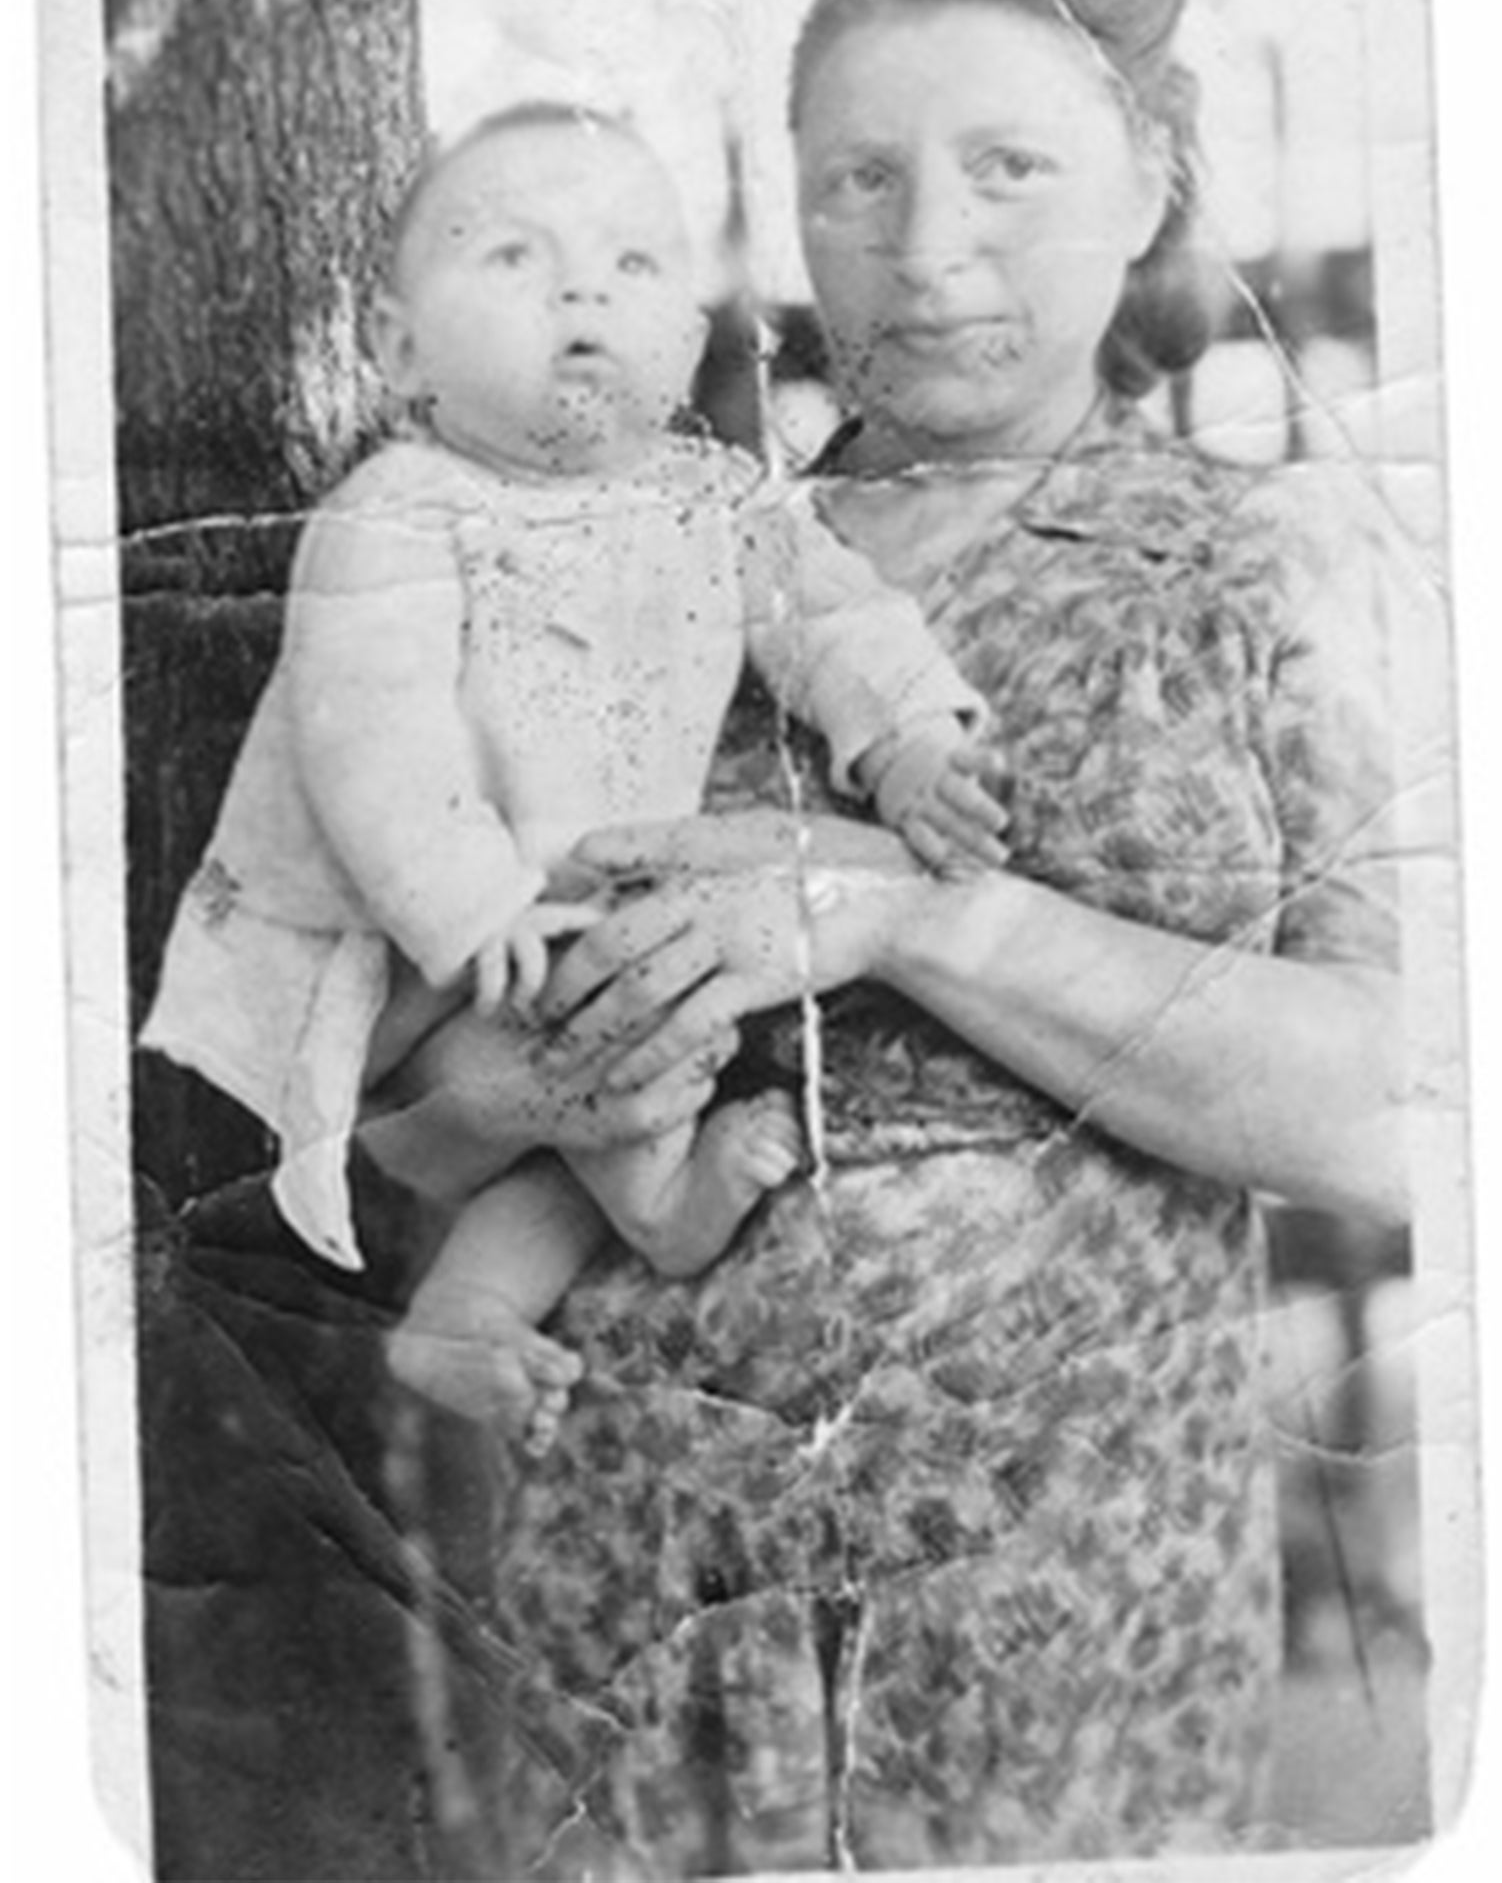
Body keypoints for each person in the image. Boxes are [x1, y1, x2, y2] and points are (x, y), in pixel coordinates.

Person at [352, 0, 1418, 1872]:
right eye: (861, 178)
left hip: (1043, 1632)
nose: (927, 254)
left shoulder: (1262, 564)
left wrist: (899, 908)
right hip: (631, 1597)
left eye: (1009, 165)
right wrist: (497, 1098)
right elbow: (391, 1078)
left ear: (1151, 177)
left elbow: (1410, 1121)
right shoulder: (649, 540)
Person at [140, 101, 1009, 1448]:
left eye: (633, 266)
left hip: (571, 923)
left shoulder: (710, 497)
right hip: (411, 946)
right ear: (397, 346)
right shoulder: (399, 513)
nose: (583, 291)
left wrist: (902, 741)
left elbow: (833, 614)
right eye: (515, 260)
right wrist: (471, 902)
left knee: (628, 1020)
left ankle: (472, 1308)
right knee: (584, 1033)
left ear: (686, 334)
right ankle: (660, 1209)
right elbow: (373, 740)